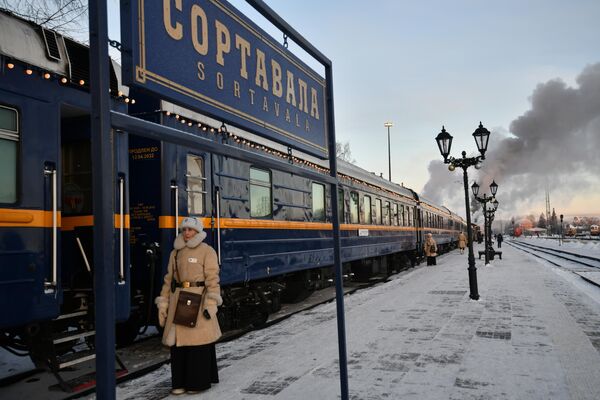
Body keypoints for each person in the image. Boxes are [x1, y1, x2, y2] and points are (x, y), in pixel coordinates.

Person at [155, 217, 222, 395]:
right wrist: (163, 302)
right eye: (184, 230)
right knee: (178, 344)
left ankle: (197, 383)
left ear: (198, 232)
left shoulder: (207, 251)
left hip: (198, 299)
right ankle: (179, 382)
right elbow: (168, 280)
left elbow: (213, 279)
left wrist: (211, 302)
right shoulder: (175, 253)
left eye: (190, 230)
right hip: (178, 300)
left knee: (197, 343)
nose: (186, 233)